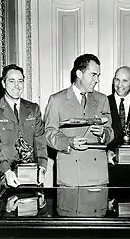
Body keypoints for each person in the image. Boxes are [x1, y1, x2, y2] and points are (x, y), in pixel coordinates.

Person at [44, 53, 114, 187]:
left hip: (97, 176)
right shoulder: (56, 100)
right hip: (70, 175)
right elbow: (49, 133)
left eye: (98, 75)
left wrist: (103, 133)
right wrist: (68, 142)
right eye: (93, 75)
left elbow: (111, 131)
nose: (96, 80)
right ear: (79, 74)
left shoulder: (102, 99)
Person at [0, 64, 48, 187]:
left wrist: (42, 168)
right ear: (3, 83)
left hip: (31, 177)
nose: (17, 86)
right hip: (4, 177)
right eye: (11, 81)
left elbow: (40, 142)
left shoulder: (33, 109)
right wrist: (6, 170)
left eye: (20, 81)